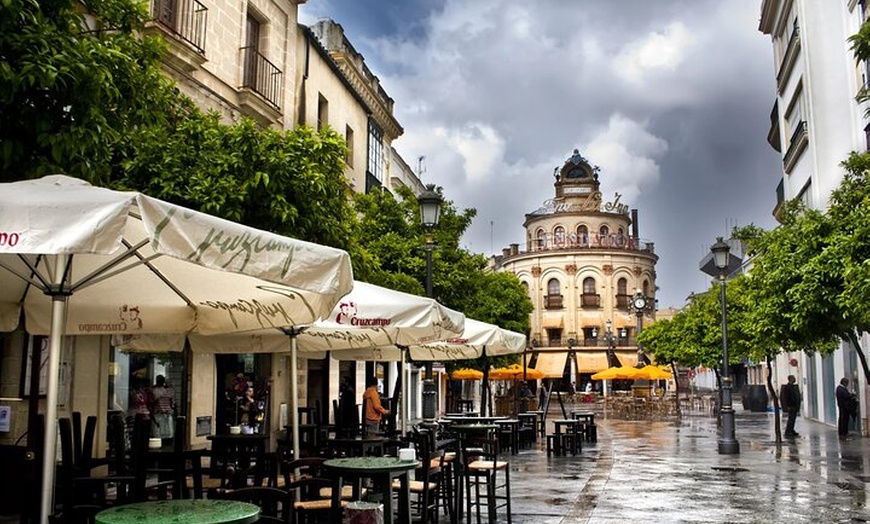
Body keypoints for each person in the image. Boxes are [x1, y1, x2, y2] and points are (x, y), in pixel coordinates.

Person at [149, 375, 175, 439]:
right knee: (160, 432)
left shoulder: (167, 390)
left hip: (164, 413)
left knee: (163, 431)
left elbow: (172, 402)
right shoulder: (154, 390)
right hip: (159, 413)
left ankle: (167, 441)